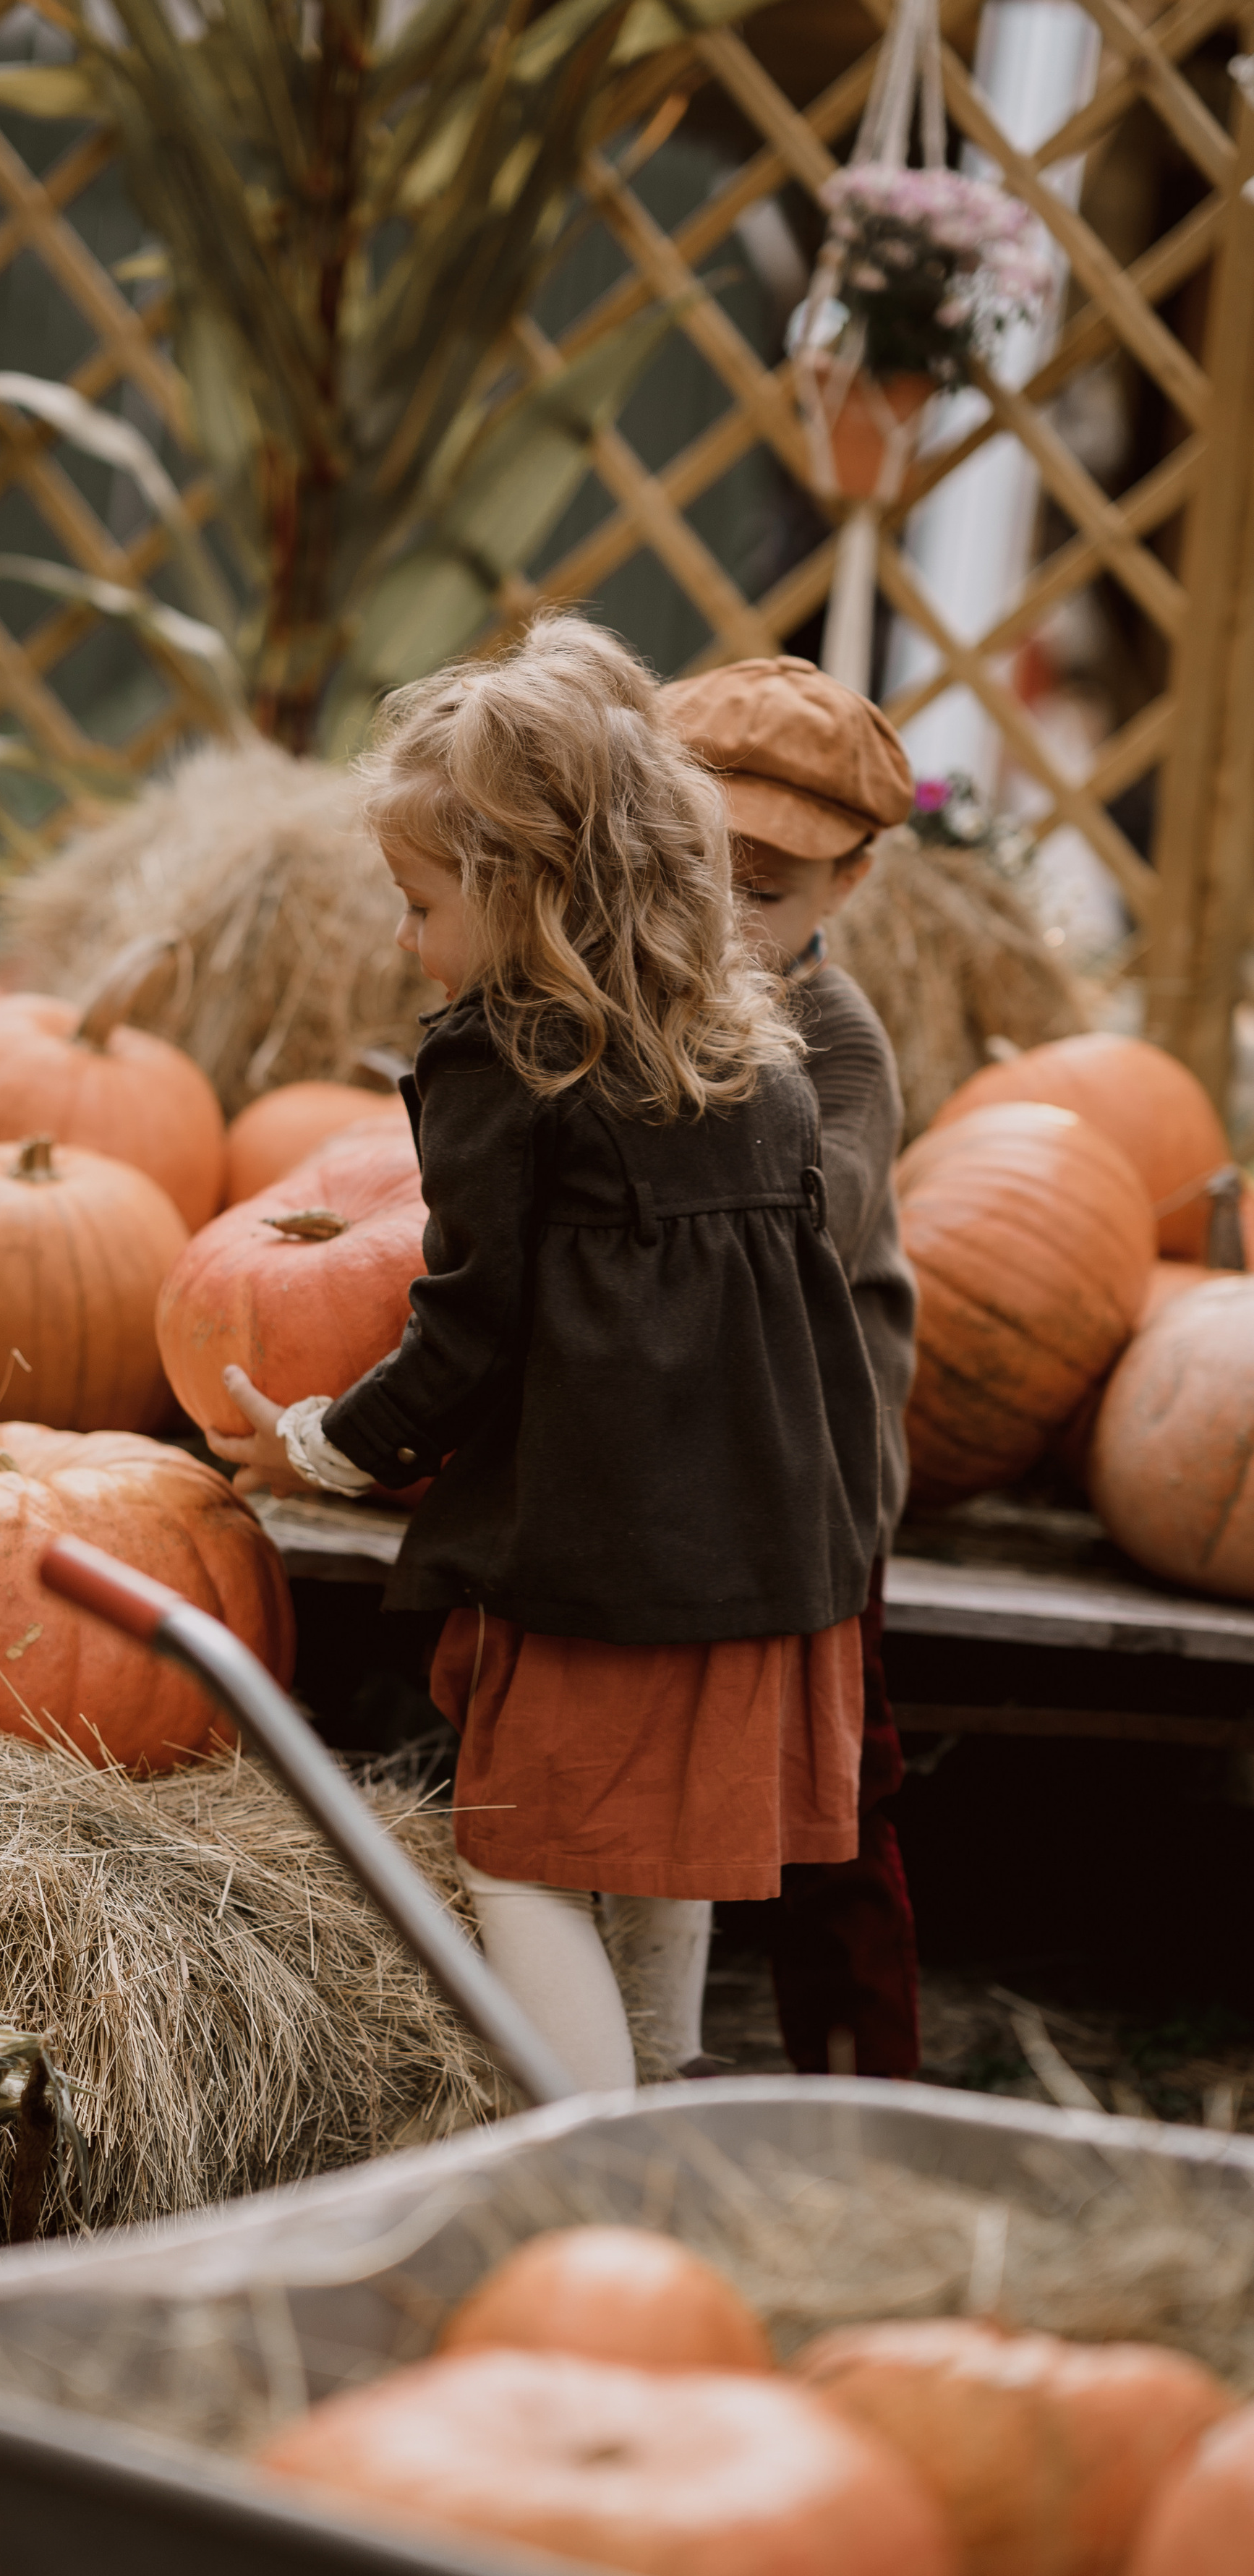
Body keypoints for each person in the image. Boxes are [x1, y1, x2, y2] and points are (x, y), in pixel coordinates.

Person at [208, 616, 882, 2093]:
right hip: (768, 1548)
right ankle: (658, 2096)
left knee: (520, 1862)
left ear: (524, 893)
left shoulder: (503, 1061)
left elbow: (470, 1324)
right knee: (661, 1849)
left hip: (609, 1561)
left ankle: (577, 2162)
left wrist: (320, 1443)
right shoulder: (754, 1052)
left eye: (419, 903)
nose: (407, 942)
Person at [663, 653, 921, 2080]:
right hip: (680, 1456)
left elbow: (798, 1232)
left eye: (760, 892)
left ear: (849, 883)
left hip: (810, 1476)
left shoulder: (834, 1041)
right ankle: (654, 2056)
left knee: (829, 1798)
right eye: (690, 869)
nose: (720, 915)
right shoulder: (636, 996)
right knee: (662, 1774)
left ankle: (863, 2087)